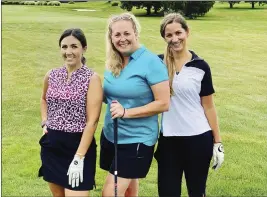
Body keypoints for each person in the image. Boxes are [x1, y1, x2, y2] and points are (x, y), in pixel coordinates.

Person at [100, 12, 170, 197]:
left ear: (136, 33)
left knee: (110, 193)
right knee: (129, 189)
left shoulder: (152, 63)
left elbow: (163, 103)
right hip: (111, 135)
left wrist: (126, 112)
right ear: (111, 37)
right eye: (117, 35)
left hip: (136, 140)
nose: (122, 39)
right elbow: (106, 95)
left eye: (126, 33)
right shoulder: (113, 61)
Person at [154, 13, 225, 197]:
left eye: (178, 33)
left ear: (187, 32)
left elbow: (208, 106)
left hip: (198, 139)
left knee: (196, 192)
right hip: (169, 142)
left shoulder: (201, 66)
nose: (174, 39)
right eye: (169, 35)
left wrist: (217, 142)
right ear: (164, 37)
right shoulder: (157, 64)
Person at [38, 28, 103, 197]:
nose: (68, 52)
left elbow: (92, 121)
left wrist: (79, 157)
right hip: (52, 146)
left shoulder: (92, 78)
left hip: (78, 146)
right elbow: (44, 99)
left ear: (84, 48)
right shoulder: (51, 75)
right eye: (64, 47)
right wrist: (45, 121)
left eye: (74, 46)